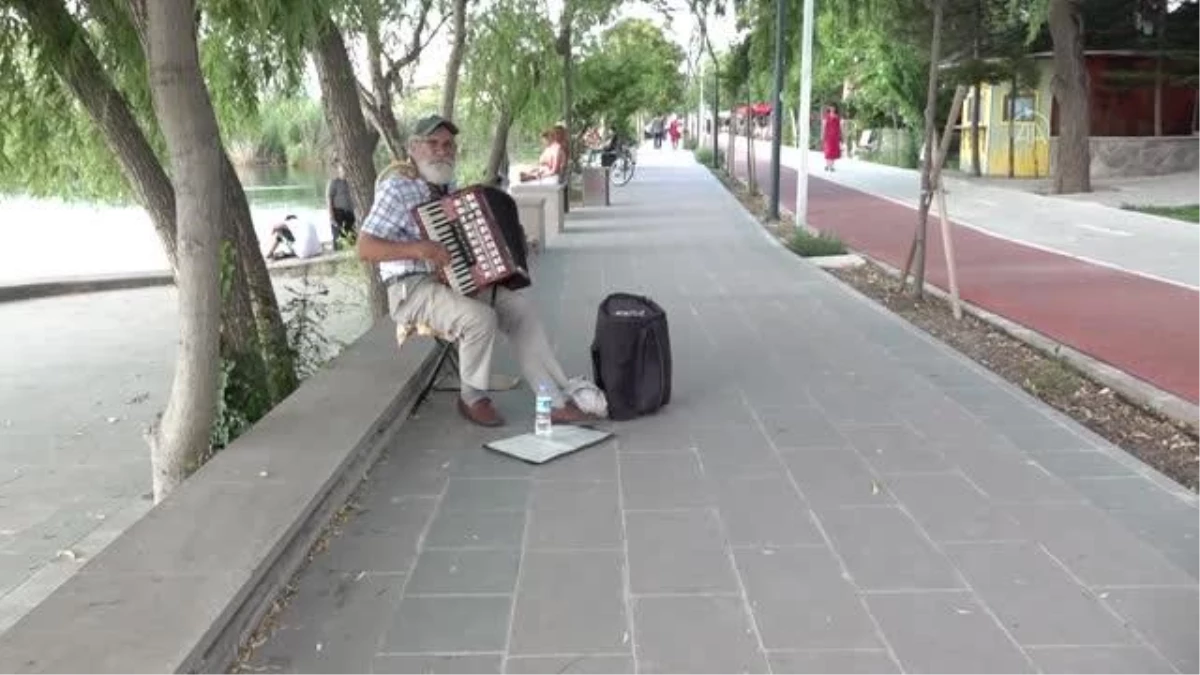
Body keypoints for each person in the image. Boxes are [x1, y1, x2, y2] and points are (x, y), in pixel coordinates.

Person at [356, 114, 596, 428]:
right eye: (433, 144)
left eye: (448, 145)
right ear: (413, 148)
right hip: (411, 288)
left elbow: (467, 240)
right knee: (480, 319)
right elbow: (364, 248)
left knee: (522, 311)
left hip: (457, 281)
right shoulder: (397, 189)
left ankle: (551, 398)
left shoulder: (448, 186)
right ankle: (471, 397)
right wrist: (419, 249)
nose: (442, 151)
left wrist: (500, 251)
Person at [326, 161, 356, 247]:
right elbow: (329, 199)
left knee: (351, 237)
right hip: (338, 213)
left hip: (349, 213)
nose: (345, 171)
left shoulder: (351, 183)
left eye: (347, 169)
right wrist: (331, 216)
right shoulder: (334, 182)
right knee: (338, 238)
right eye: (343, 169)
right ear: (339, 170)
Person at [822, 105, 842, 172]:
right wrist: (822, 135)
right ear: (829, 108)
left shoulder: (837, 117)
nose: (832, 108)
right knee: (828, 150)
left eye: (833, 107)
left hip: (835, 136)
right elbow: (824, 126)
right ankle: (827, 165)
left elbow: (839, 127)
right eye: (831, 107)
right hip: (828, 136)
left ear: (835, 108)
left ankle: (832, 166)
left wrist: (840, 135)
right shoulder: (826, 116)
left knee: (834, 151)